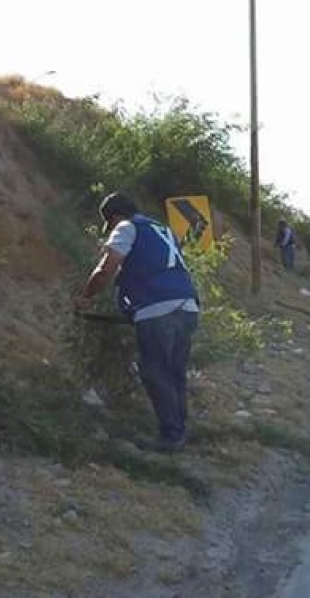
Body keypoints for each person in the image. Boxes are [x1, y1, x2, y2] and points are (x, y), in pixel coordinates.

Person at [75, 192, 200, 454]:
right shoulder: (162, 229)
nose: (111, 230)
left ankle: (170, 438)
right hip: (187, 305)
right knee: (175, 372)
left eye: (109, 224)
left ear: (116, 216)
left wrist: (86, 297)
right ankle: (179, 431)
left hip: (157, 308)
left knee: (154, 372)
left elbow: (106, 269)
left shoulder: (126, 227)